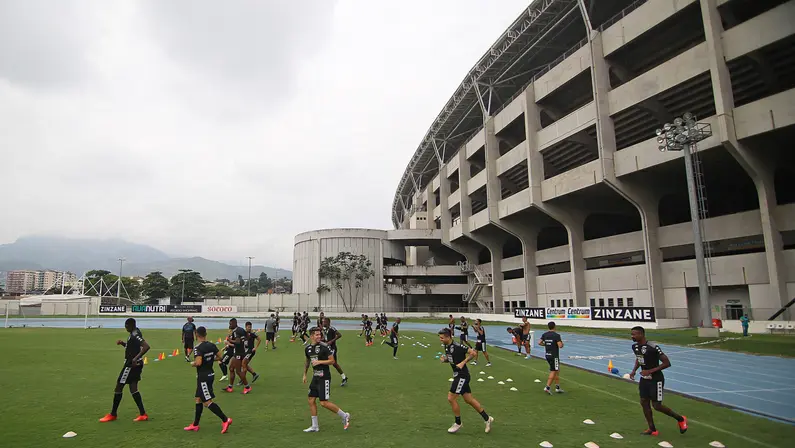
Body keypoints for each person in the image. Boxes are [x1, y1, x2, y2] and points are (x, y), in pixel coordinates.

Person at [629, 326, 688, 436]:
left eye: (634, 334)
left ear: (641, 334)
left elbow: (667, 363)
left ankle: (680, 419)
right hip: (644, 380)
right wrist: (634, 371)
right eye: (631, 334)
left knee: (657, 405)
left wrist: (650, 371)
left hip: (656, 380)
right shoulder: (635, 346)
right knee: (644, 402)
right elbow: (639, 358)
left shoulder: (653, 347)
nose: (632, 336)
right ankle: (652, 428)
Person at [438, 328, 494, 434]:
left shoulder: (458, 346)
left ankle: (458, 423)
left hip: (462, 376)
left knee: (451, 398)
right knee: (469, 400)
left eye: (442, 338)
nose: (440, 340)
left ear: (448, 337)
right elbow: (453, 360)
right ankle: (487, 419)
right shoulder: (447, 346)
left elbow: (473, 353)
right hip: (458, 375)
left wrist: (463, 362)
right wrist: (445, 360)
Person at [99, 318, 151, 423]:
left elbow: (146, 347)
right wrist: (123, 343)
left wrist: (135, 358)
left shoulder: (135, 335)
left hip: (131, 365)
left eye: (126, 326)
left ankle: (113, 414)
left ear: (130, 325)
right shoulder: (135, 332)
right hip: (136, 364)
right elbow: (132, 347)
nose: (125, 328)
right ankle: (143, 414)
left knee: (119, 386)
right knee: (133, 388)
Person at [184, 326, 233, 434]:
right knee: (198, 399)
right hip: (210, 374)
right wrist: (210, 359)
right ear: (205, 334)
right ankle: (195, 425)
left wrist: (193, 363)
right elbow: (220, 357)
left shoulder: (198, 348)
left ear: (197, 335)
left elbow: (198, 362)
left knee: (207, 402)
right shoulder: (211, 345)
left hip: (203, 377)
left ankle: (225, 420)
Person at [302, 327, 351, 432]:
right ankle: (315, 426)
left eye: (320, 334)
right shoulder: (308, 348)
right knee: (311, 400)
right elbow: (307, 361)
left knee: (323, 402)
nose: (319, 336)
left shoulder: (325, 347)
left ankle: (344, 415)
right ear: (311, 336)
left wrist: (320, 362)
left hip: (324, 377)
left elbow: (332, 361)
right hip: (315, 377)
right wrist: (305, 374)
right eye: (316, 335)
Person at [224, 318, 251, 394]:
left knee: (238, 371)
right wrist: (244, 343)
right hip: (241, 352)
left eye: (230, 324)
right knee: (231, 368)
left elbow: (237, 342)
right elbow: (248, 337)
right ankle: (230, 387)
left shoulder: (236, 331)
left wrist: (229, 340)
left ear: (235, 323)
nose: (230, 325)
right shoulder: (241, 329)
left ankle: (247, 387)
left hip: (239, 353)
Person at [538, 321, 564, 394]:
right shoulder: (556, 335)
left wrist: (545, 345)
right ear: (555, 326)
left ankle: (557, 387)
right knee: (554, 371)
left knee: (556, 371)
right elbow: (560, 346)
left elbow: (539, 342)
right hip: (554, 356)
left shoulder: (545, 334)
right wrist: (562, 343)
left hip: (547, 354)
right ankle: (547, 387)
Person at [322, 317, 349, 386]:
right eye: (322, 322)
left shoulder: (332, 329)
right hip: (327, 348)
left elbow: (339, 335)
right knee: (331, 363)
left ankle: (343, 377)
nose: (323, 323)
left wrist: (331, 341)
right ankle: (344, 377)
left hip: (332, 349)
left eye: (324, 322)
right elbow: (325, 338)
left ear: (328, 322)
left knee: (333, 363)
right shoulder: (324, 329)